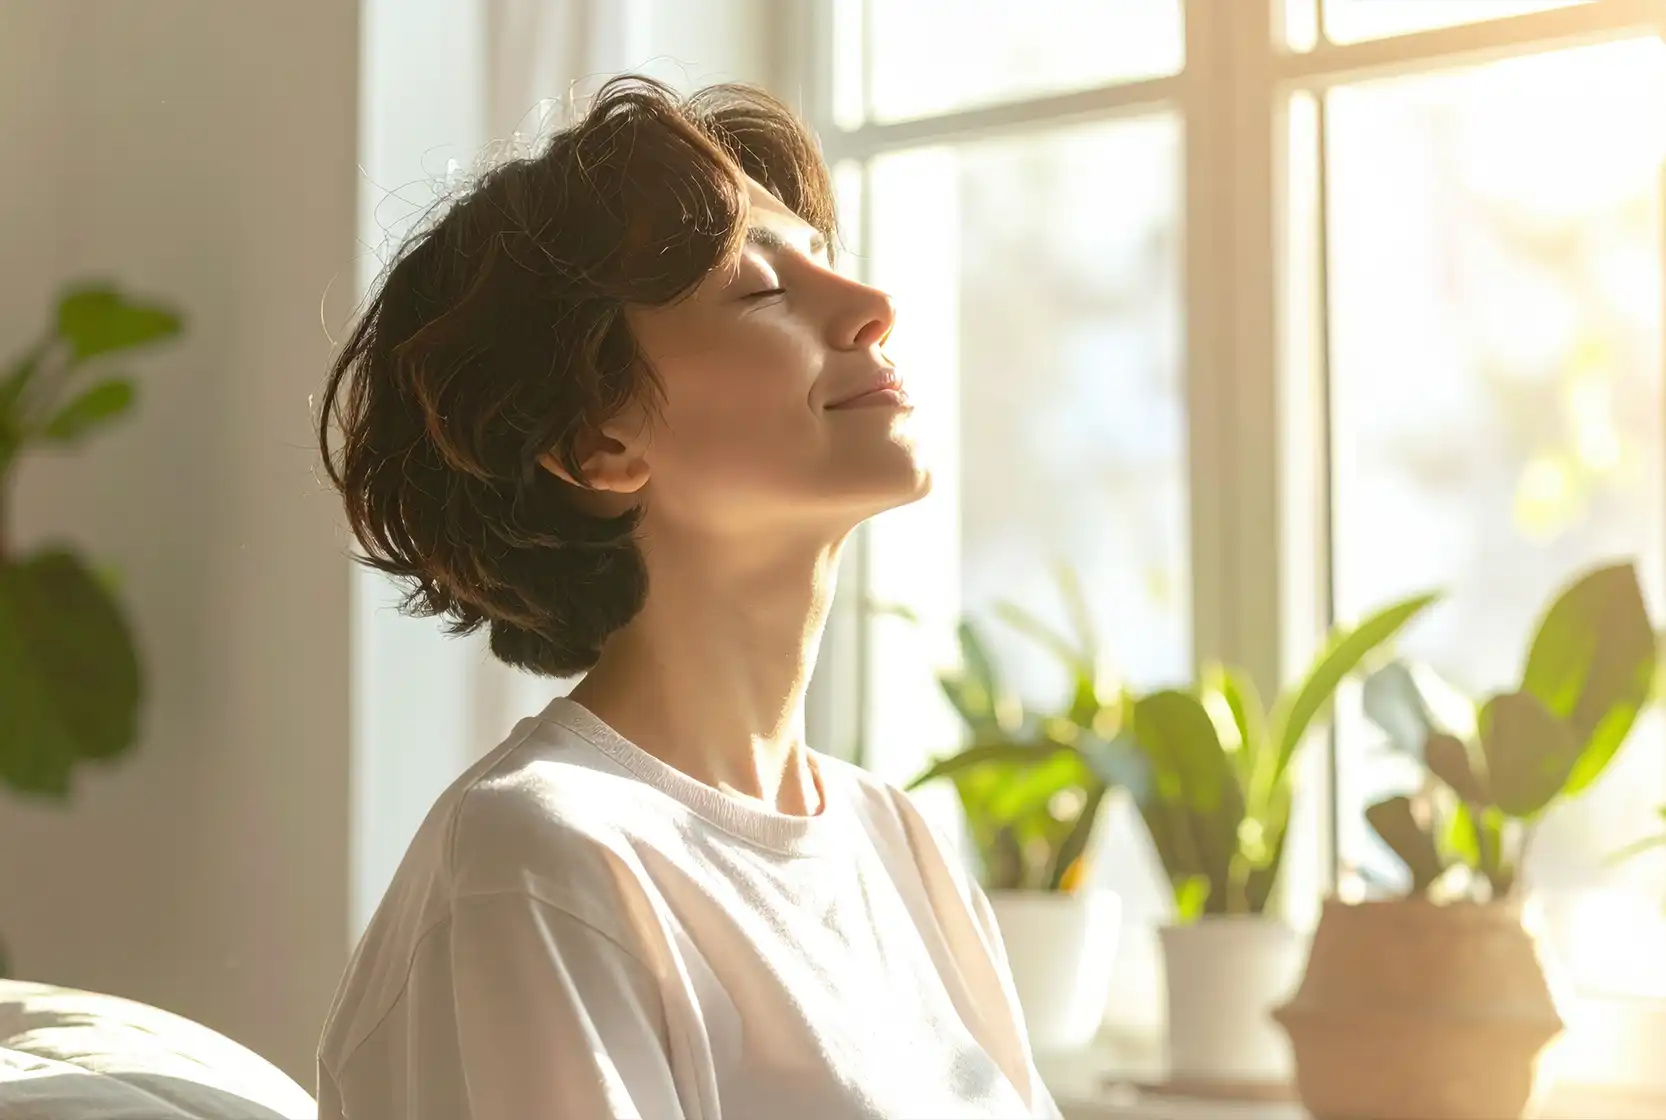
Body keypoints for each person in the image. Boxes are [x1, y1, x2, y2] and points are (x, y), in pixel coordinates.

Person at [313, 75, 1063, 1120]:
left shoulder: (899, 847)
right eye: (763, 290)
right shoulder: (538, 860)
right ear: (595, 442)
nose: (871, 308)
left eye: (828, 265)